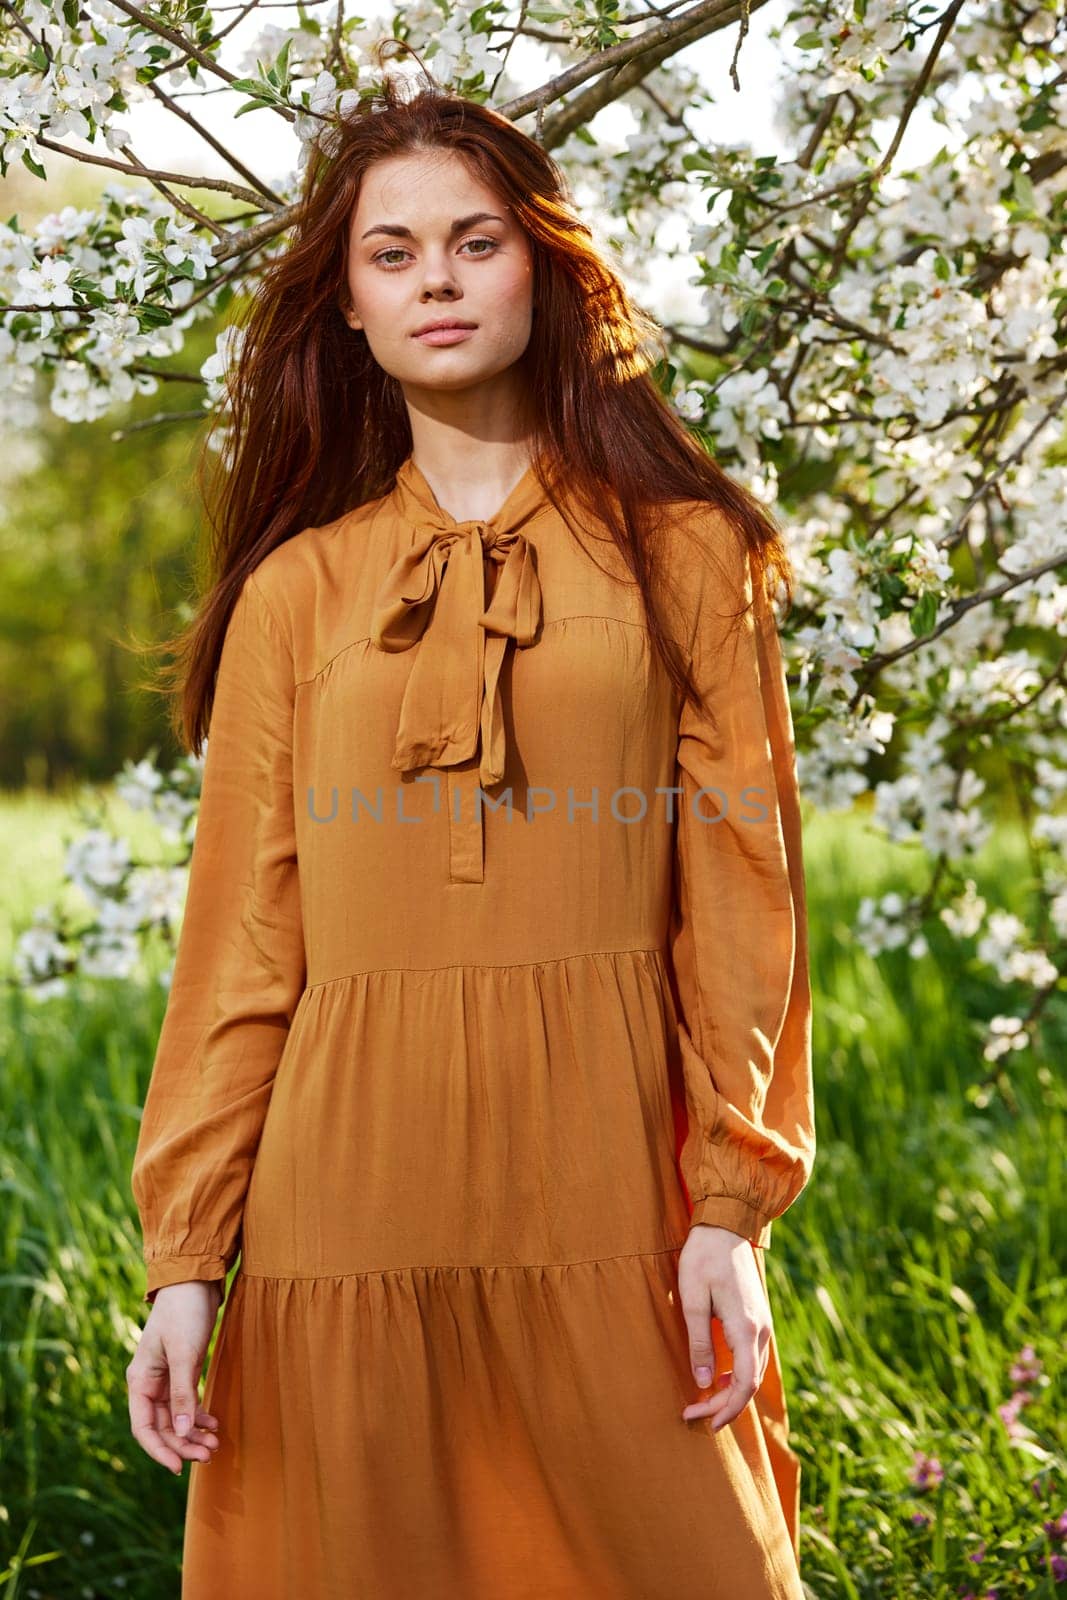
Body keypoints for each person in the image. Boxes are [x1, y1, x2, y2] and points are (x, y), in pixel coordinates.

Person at [125, 58, 815, 1600]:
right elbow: (241, 939)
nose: (436, 279)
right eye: (394, 253)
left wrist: (731, 1210)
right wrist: (186, 1260)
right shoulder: (295, 596)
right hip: (343, 1199)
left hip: (614, 1186)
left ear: (548, 272)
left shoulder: (688, 553)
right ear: (350, 311)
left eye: (476, 241)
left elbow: (744, 893)